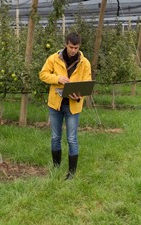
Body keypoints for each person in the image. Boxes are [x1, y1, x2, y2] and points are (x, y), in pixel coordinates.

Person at [38, 32, 92, 180]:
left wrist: (80, 95)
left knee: (72, 138)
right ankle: (56, 167)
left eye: (76, 47)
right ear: (65, 44)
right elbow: (42, 74)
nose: (73, 50)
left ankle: (71, 173)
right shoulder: (54, 58)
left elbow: (87, 82)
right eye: (70, 47)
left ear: (79, 46)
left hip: (73, 105)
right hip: (56, 104)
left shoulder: (84, 63)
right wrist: (58, 78)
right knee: (55, 137)